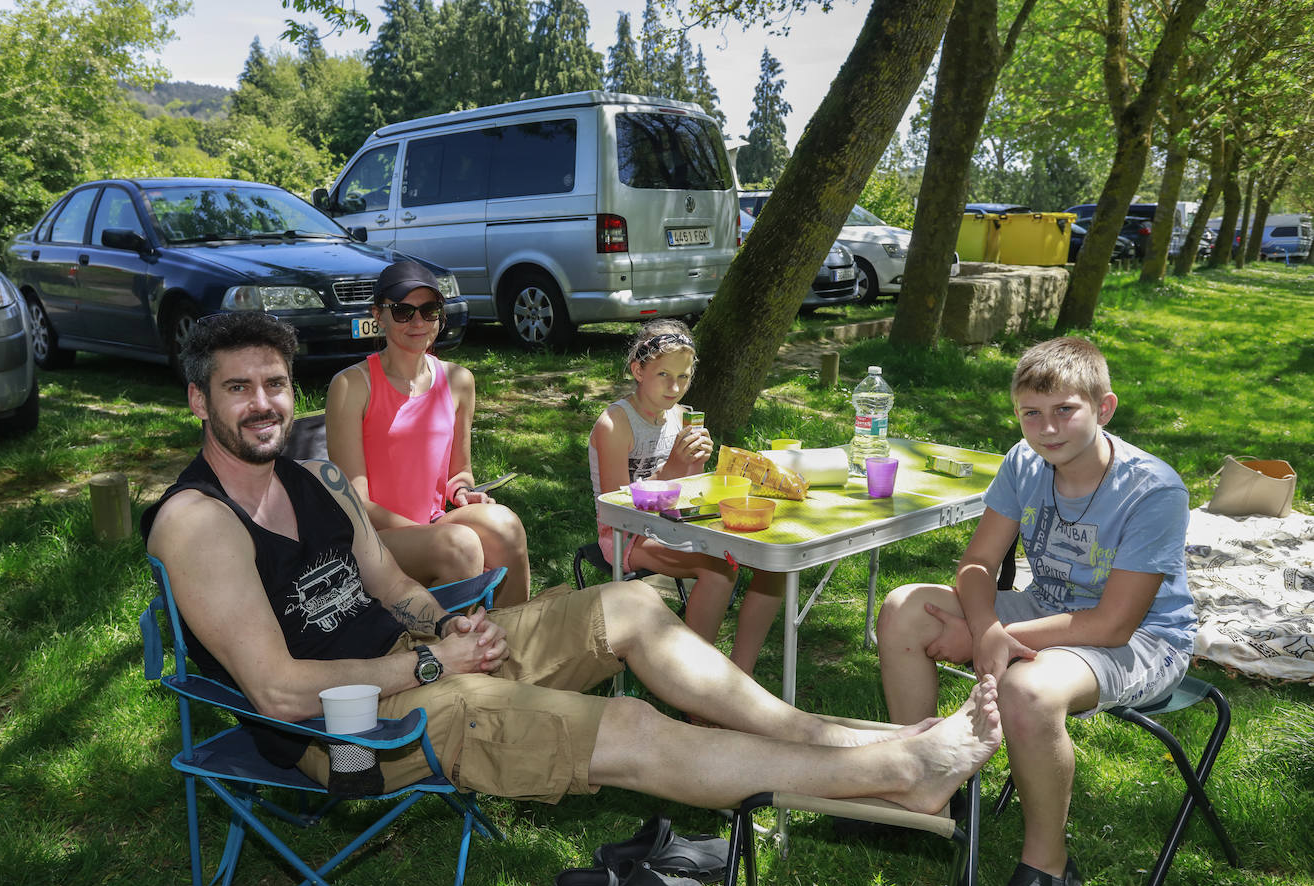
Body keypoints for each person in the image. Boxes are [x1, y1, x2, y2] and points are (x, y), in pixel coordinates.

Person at [143, 310, 1003, 820]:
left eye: (274, 385)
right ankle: (899, 773)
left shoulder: (312, 473)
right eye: (238, 389)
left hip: (422, 663)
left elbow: (391, 582)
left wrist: (445, 620)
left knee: (628, 605)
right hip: (349, 730)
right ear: (197, 401)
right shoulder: (197, 524)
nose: (263, 404)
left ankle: (848, 736)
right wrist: (431, 660)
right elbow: (280, 694)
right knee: (624, 733)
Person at [875, 337, 1196, 886]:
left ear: (1104, 407)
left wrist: (996, 637)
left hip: (1145, 639)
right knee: (903, 607)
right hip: (1046, 604)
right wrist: (985, 625)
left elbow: (1115, 623)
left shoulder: (1154, 489)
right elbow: (976, 564)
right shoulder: (1024, 462)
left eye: (1064, 410)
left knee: (1026, 691)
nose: (1047, 428)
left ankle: (1048, 869)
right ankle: (926, 788)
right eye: (1031, 413)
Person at [325, 261, 530, 604]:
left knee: (504, 525)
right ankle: (453, 650)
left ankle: (517, 643)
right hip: (369, 537)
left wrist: (463, 491)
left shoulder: (458, 381)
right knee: (459, 545)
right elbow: (353, 502)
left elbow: (459, 473)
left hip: (433, 524)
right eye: (403, 311)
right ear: (379, 314)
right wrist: (429, 532)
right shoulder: (351, 385)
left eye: (429, 310)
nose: (418, 322)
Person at [588, 320, 783, 676]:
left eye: (684, 376)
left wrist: (699, 466)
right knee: (719, 569)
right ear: (638, 370)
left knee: (773, 566)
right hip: (626, 537)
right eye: (663, 374)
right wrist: (674, 469)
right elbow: (617, 509)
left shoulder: (682, 417)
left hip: (678, 523)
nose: (675, 387)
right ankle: (695, 682)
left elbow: (688, 491)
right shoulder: (615, 424)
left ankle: (741, 675)